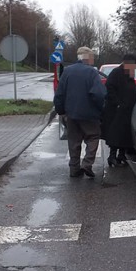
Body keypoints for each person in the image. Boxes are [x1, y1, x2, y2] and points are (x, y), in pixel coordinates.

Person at [53, 46, 106, 178]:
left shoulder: (67, 72)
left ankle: (74, 168)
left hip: (71, 113)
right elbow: (99, 94)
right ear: (88, 58)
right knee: (93, 137)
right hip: (90, 114)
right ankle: (87, 164)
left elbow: (59, 94)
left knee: (74, 141)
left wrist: (61, 111)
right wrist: (101, 109)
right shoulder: (92, 73)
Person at [101, 53, 136, 166]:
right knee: (116, 134)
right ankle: (112, 156)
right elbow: (110, 88)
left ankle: (121, 155)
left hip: (127, 109)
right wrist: (118, 103)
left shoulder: (129, 74)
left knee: (125, 134)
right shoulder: (116, 73)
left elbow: (132, 89)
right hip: (116, 111)